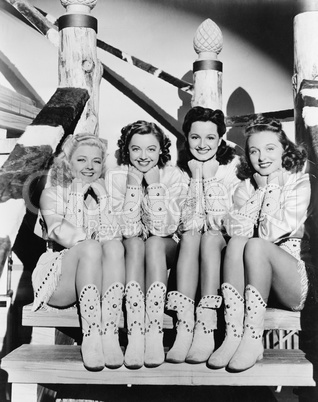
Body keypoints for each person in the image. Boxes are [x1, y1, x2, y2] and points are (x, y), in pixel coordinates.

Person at [208, 115, 312, 372]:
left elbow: (268, 233)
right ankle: (233, 336)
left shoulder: (301, 181)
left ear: (284, 149)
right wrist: (261, 190)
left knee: (254, 245)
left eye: (270, 149)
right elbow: (233, 229)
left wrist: (273, 188)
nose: (262, 157)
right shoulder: (246, 186)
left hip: (297, 282)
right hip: (257, 281)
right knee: (236, 244)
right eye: (254, 151)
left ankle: (252, 339)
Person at [32, 133, 125, 371]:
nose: (90, 166)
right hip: (59, 280)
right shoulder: (52, 194)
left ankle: (109, 333)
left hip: (97, 280)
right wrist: (76, 195)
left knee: (114, 246)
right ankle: (91, 336)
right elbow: (59, 232)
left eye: (96, 161)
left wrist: (103, 198)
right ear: (68, 163)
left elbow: (115, 237)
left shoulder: (103, 194)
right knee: (92, 246)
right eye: (82, 160)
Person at [106, 120, 188, 368]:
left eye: (151, 149)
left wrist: (154, 186)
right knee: (134, 243)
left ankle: (154, 332)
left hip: (165, 248)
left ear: (161, 150)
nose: (143, 156)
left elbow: (164, 229)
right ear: (127, 150)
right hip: (132, 248)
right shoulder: (116, 176)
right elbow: (127, 230)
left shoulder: (174, 176)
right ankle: (136, 333)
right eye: (136, 149)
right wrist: (133, 187)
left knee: (152, 243)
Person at [165, 106, 241, 364]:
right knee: (190, 236)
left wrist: (208, 180)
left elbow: (221, 222)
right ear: (187, 138)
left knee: (208, 237)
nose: (202, 144)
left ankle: (205, 329)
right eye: (195, 137)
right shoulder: (178, 171)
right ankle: (184, 329)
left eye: (210, 137)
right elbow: (184, 224)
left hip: (222, 243)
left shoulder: (233, 168)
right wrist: (196, 176)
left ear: (220, 140)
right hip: (189, 243)